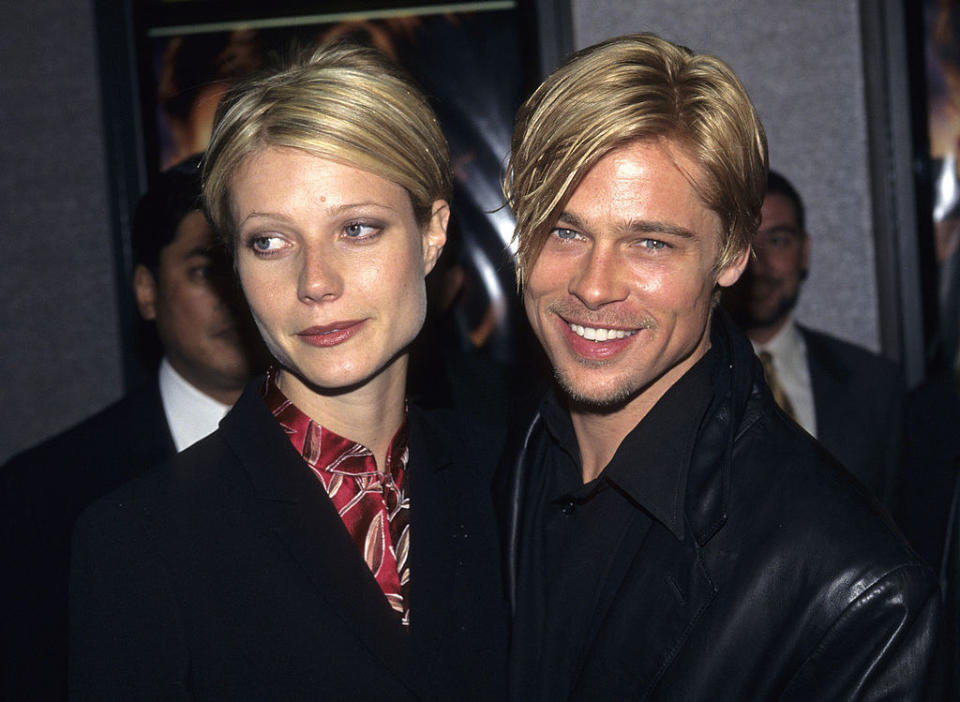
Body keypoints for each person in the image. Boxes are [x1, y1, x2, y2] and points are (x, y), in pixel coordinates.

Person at [498, 33, 940, 700]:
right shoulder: (489, 462)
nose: (593, 285)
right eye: (565, 230)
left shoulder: (856, 592)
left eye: (649, 242)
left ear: (734, 253)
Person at [69, 42, 506, 699]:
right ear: (234, 266)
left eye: (357, 229)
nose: (315, 282)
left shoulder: (514, 480)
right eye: (269, 242)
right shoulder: (140, 540)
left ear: (433, 233)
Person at [0, 155, 264, 700]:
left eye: (256, 257)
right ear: (147, 291)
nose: (236, 292)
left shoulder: (357, 453)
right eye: (205, 269)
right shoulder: (44, 494)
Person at [722, 170, 904, 504]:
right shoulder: (673, 384)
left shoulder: (875, 386)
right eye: (744, 244)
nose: (759, 265)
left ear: (804, 252)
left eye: (777, 241)